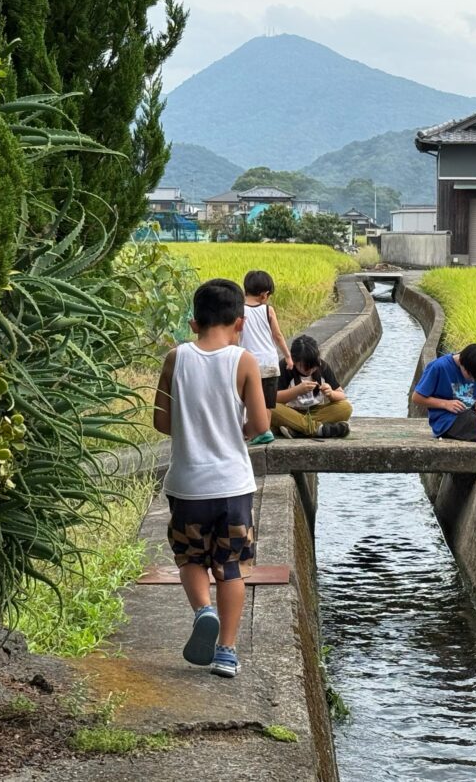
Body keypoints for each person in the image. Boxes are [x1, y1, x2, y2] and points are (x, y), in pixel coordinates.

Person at [153, 278, 270, 678]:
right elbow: (260, 423)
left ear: (193, 322)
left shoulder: (175, 358)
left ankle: (204, 610)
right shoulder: (244, 361)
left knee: (191, 559)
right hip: (233, 486)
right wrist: (234, 431)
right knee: (231, 567)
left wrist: (192, 428)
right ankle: (226, 652)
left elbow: (161, 421)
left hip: (187, 485)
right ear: (239, 323)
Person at [241, 269, 292, 446]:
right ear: (264, 294)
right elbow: (277, 335)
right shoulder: (268, 310)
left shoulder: (238, 311)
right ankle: (266, 432)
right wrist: (288, 356)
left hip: (247, 364)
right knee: (268, 402)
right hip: (269, 363)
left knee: (249, 402)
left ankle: (252, 432)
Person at [271, 334, 353, 438]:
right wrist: (297, 391)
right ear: (294, 361)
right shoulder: (285, 367)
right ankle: (317, 429)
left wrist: (331, 393)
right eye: (304, 367)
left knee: (345, 408)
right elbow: (273, 398)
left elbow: (341, 395)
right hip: (291, 412)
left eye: (313, 367)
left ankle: (298, 429)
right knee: (270, 407)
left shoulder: (323, 367)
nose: (309, 370)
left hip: (315, 412)